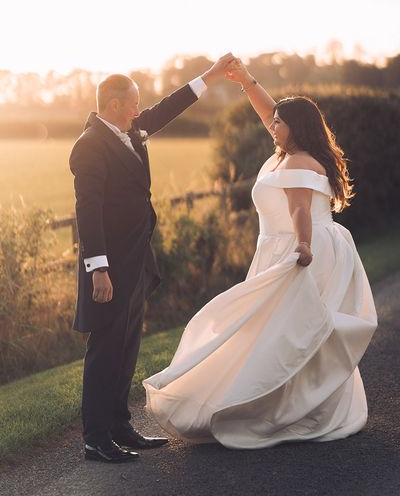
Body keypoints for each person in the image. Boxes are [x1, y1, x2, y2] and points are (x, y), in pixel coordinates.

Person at [143, 58, 378, 449]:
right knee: (283, 331)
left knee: (289, 333)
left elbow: (300, 209)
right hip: (284, 246)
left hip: (299, 248)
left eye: (278, 124)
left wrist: (301, 246)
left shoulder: (300, 161)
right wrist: (247, 81)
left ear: (295, 128)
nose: (272, 126)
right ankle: (291, 404)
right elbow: (271, 112)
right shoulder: (289, 149)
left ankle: (292, 409)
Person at [69, 53, 235, 463]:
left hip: (137, 259)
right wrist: (99, 269)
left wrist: (209, 78)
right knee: (105, 348)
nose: (140, 109)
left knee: (127, 346)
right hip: (108, 266)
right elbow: (87, 211)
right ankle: (95, 437)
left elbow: (167, 108)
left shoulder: (131, 128)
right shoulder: (89, 146)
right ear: (113, 107)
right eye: (133, 103)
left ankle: (119, 425)